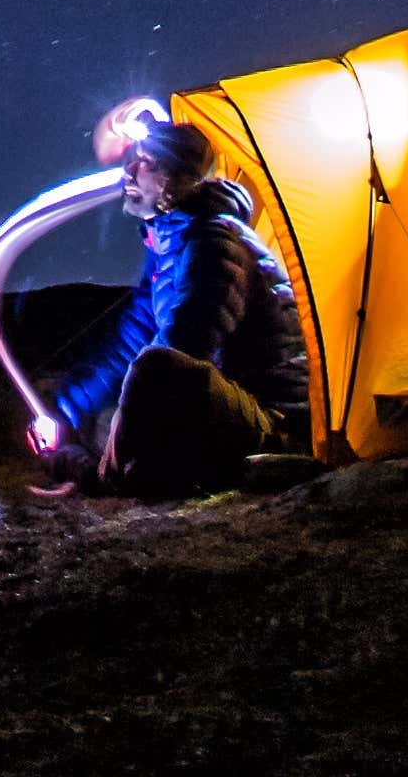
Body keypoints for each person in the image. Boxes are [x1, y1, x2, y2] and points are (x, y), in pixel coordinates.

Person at [22, 115, 311, 496]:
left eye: (147, 162)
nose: (129, 171)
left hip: (272, 422)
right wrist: (61, 412)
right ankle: (108, 464)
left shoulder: (216, 242)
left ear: (175, 181)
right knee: (105, 415)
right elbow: (125, 347)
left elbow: (183, 352)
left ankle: (103, 482)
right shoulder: (170, 247)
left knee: (156, 371)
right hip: (224, 406)